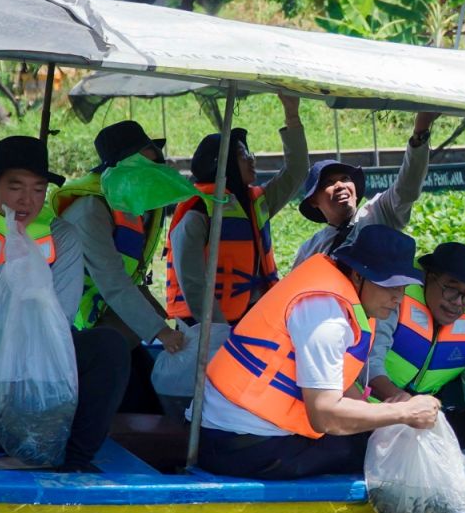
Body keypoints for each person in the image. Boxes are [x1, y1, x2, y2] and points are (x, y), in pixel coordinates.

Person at [0, 136, 129, 471]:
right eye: (16, 187)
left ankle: (69, 463)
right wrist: (7, 272)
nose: (28, 200)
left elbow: (61, 320)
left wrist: (32, 273)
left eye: (38, 189)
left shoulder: (61, 236)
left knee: (109, 348)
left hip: (33, 369)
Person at [198, 224, 441, 479]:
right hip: (238, 444)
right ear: (358, 276)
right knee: (375, 455)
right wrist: (403, 413)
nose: (398, 297)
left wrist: (382, 415)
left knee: (377, 438)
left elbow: (341, 384)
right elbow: (325, 416)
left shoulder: (348, 301)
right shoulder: (327, 316)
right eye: (389, 285)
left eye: (403, 287)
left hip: (242, 435)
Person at [52, 120, 185, 412]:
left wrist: (160, 318)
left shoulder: (132, 206)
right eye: (142, 167)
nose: (150, 176)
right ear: (117, 170)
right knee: (127, 391)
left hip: (109, 316)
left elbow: (132, 276)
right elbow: (113, 282)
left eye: (154, 165)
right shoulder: (89, 212)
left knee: (148, 397)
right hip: (71, 326)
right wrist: (161, 332)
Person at [366, 242, 465, 467]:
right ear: (428, 277)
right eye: (451, 288)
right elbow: (369, 363)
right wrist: (404, 407)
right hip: (374, 410)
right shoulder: (393, 306)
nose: (458, 302)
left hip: (424, 414)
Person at [165, 94, 308, 325]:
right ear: (222, 164)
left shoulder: (255, 202)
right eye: (242, 156)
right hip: (207, 325)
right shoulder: (199, 211)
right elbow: (192, 280)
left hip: (254, 317)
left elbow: (297, 170)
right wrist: (216, 329)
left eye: (249, 154)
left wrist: (292, 114)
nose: (252, 160)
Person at [292, 112, 439, 267]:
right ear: (313, 200)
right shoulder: (309, 251)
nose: (340, 185)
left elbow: (406, 188)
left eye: (345, 179)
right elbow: (295, 289)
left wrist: (420, 132)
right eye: (329, 183)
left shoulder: (380, 211)